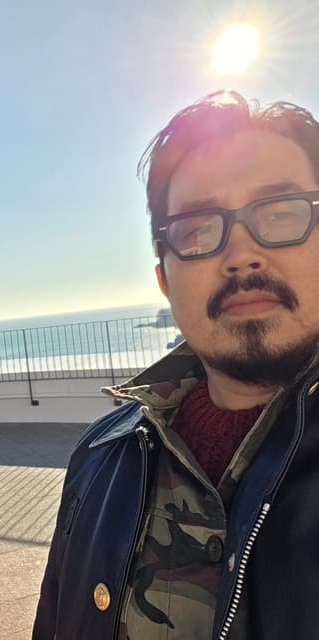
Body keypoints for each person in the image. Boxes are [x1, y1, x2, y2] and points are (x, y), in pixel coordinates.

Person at [33, 90, 319, 640]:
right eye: (198, 229)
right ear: (165, 279)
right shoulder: (101, 456)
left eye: (281, 213)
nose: (242, 254)